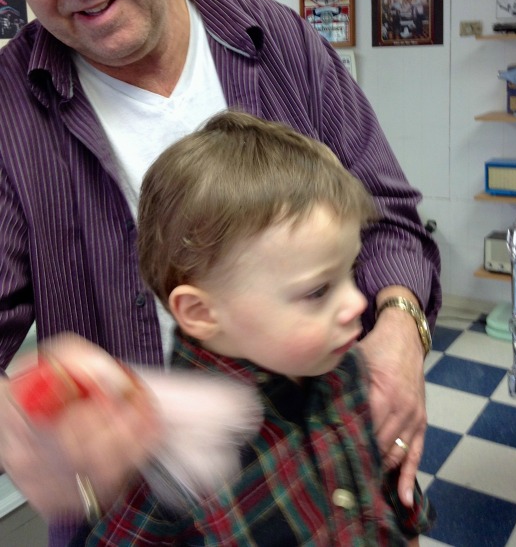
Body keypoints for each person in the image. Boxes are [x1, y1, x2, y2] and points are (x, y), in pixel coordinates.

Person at [0, 0, 441, 545]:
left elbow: (391, 220)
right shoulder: (8, 111)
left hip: (333, 450)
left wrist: (401, 326)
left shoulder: (280, 42)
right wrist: (19, 410)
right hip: (146, 511)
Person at [64, 109, 434, 545]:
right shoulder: (171, 465)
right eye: (317, 292)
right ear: (201, 312)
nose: (357, 302)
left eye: (351, 270)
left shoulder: (348, 373)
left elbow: (385, 497)